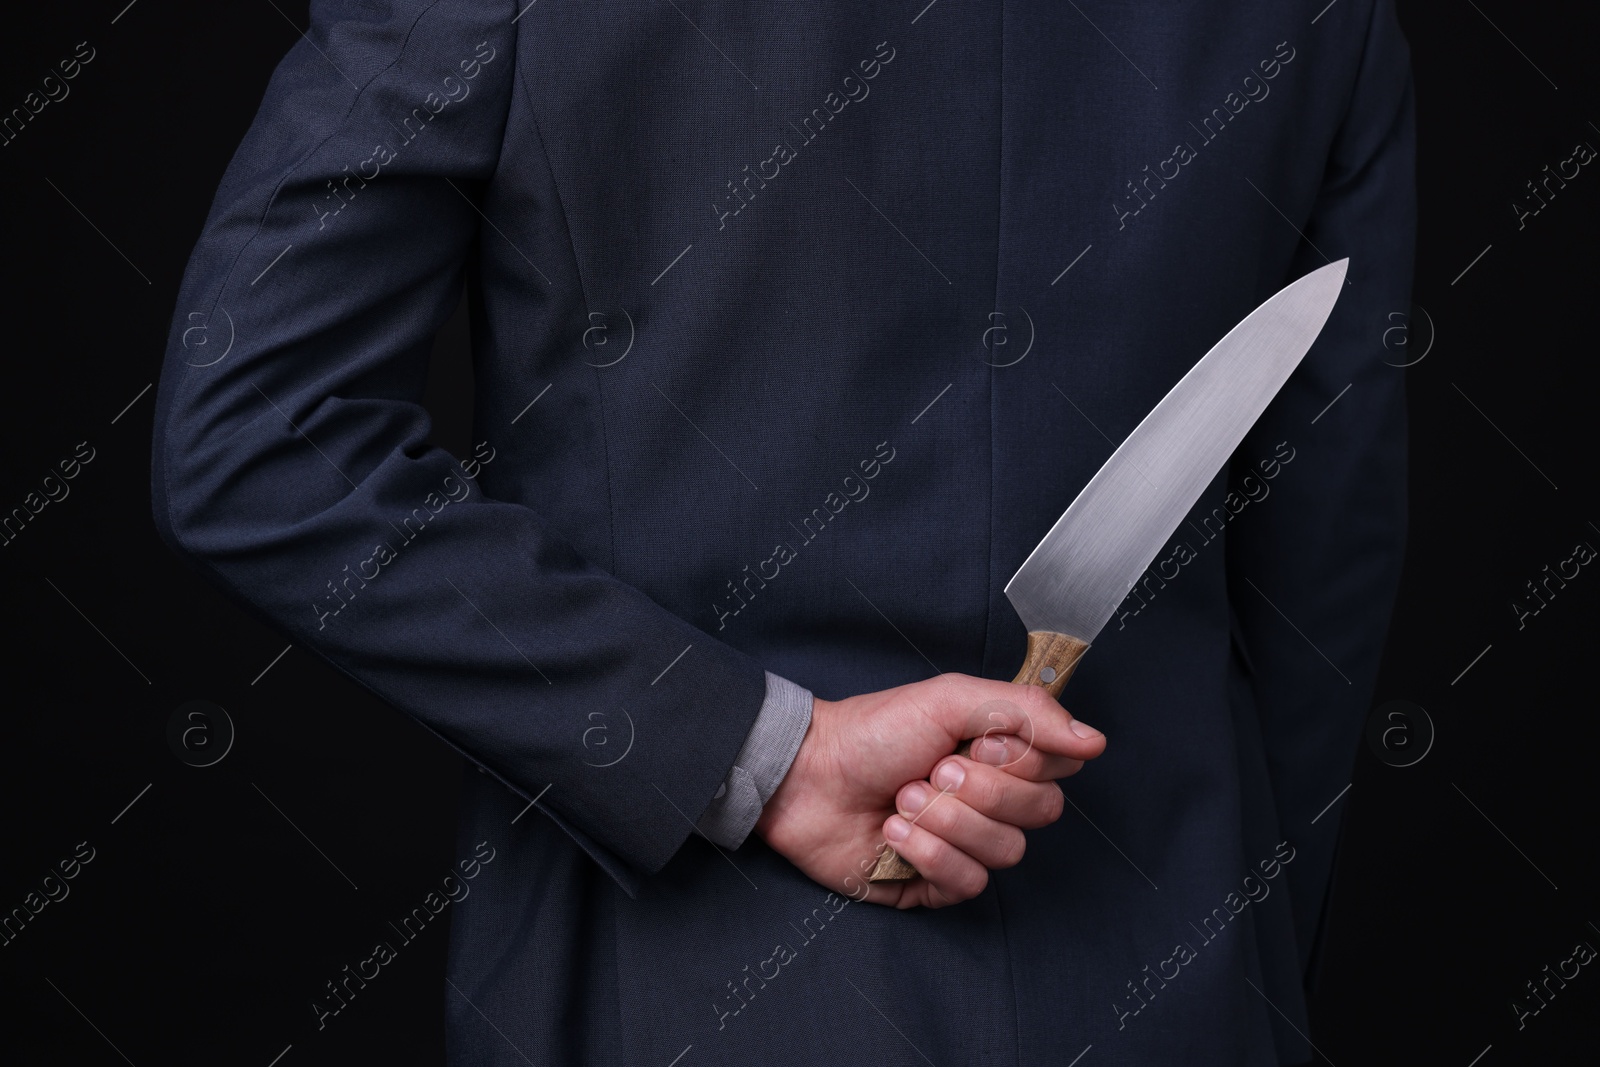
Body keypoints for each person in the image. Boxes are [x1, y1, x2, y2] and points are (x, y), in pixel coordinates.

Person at [151, 1, 1413, 1063]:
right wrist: (1243, 953)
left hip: (664, 996)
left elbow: (258, 435)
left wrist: (757, 752)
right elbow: (1322, 578)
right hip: (1170, 979)